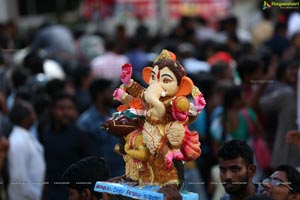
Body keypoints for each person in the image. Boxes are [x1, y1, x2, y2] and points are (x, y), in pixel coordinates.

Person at [40, 92, 93, 200]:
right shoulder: (45, 134)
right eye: (61, 108)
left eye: (69, 108)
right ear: (52, 110)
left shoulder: (80, 135)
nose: (66, 113)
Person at [77, 79, 124, 177]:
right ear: (99, 95)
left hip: (121, 171)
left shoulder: (116, 114)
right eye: (109, 91)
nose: (113, 95)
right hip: (102, 175)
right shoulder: (86, 122)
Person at [7, 100, 46, 200]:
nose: (34, 115)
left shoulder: (25, 136)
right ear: (25, 117)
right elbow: (18, 177)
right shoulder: (18, 141)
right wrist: (35, 195)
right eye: (32, 112)